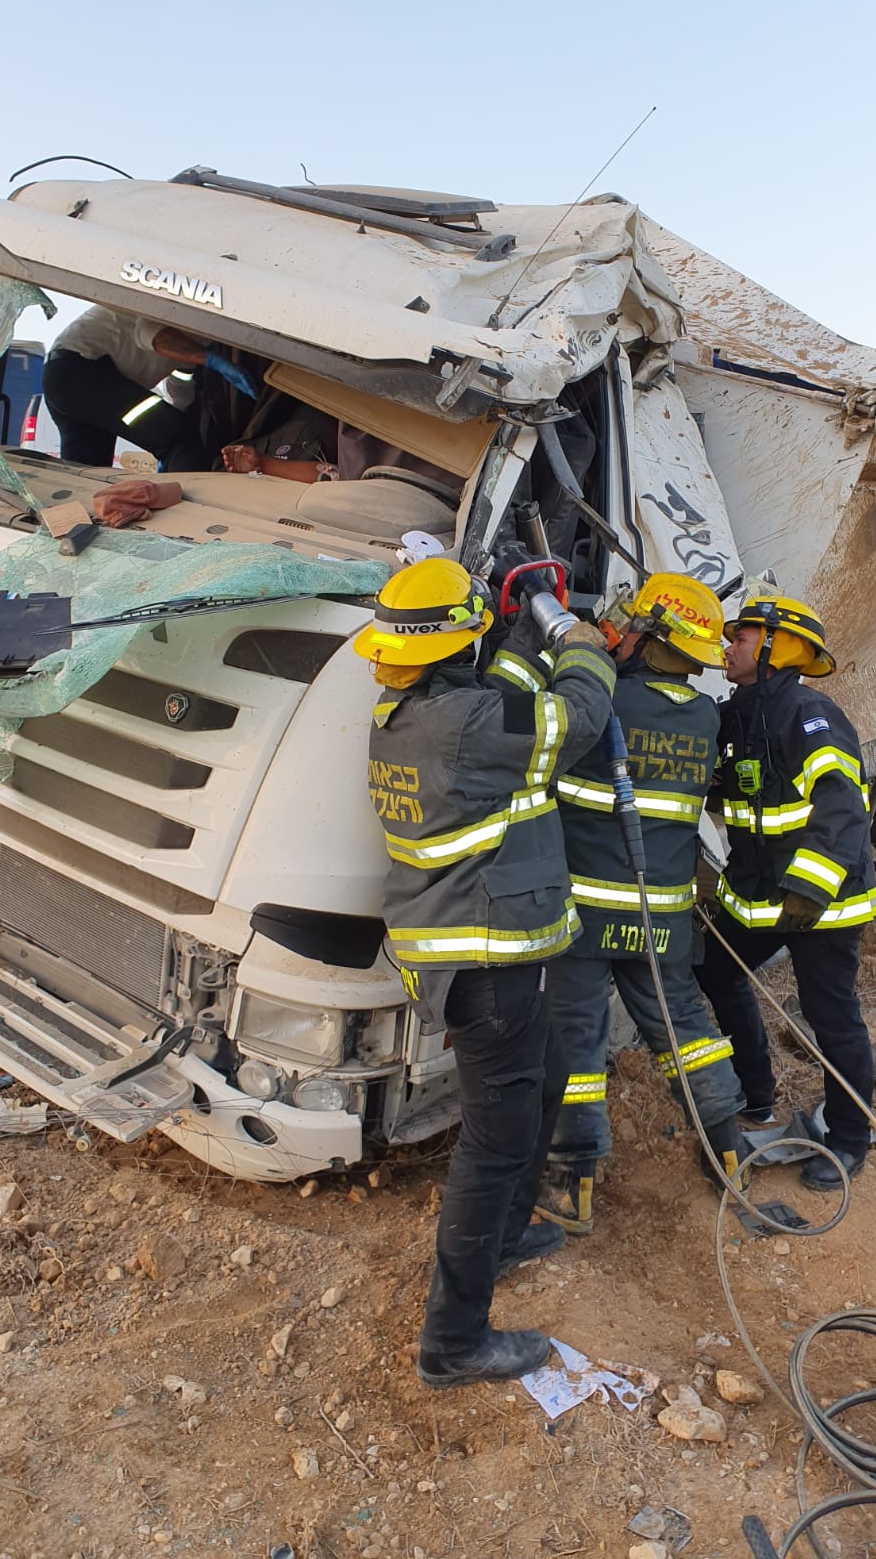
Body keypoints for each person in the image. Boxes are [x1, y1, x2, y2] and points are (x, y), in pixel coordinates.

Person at [355, 557, 615, 1388]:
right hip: (489, 964)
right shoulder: (464, 724)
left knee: (543, 1087)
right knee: (493, 1148)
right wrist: (574, 636)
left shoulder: (415, 710)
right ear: (452, 646)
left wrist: (511, 625)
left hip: (490, 955)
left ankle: (506, 1239)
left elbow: (499, 699)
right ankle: (453, 1341)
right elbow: (577, 714)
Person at [534, 573, 747, 1235]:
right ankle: (729, 1156)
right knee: (686, 1031)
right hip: (661, 919)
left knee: (575, 1041)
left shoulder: (604, 705)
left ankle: (575, 1187)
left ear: (649, 635)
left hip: (583, 915)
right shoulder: (704, 716)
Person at [693, 595, 876, 1192]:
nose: (729, 647)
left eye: (741, 639)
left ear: (779, 648)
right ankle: (756, 1092)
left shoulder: (808, 714)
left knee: (831, 1017)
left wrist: (809, 888)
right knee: (718, 973)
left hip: (820, 904)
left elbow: (842, 807)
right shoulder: (740, 714)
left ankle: (851, 1138)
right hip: (762, 899)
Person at [41, 307, 207, 468]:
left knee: (89, 475)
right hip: (83, 370)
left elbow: (180, 385)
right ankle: (181, 494)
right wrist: (211, 359)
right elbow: (148, 331)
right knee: (180, 437)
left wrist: (178, 412)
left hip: (64, 377)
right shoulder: (177, 299)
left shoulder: (195, 343)